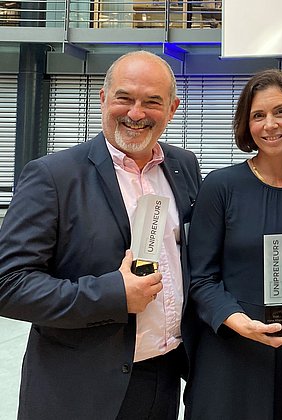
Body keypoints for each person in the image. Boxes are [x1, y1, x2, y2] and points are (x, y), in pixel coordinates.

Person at [0, 50, 202, 420]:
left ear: (172, 109)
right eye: (124, 98)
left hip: (165, 378)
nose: (136, 113)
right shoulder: (53, 177)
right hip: (79, 390)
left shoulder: (184, 166)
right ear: (103, 99)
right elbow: (9, 285)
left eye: (152, 102)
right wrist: (113, 294)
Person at [184, 69, 282, 420]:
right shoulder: (221, 187)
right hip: (230, 354)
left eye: (280, 111)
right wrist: (238, 321)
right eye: (257, 115)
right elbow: (200, 278)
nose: (270, 124)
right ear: (246, 125)